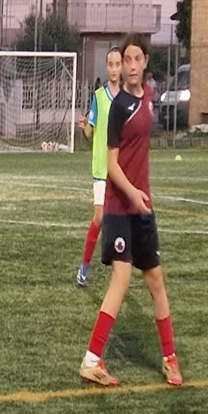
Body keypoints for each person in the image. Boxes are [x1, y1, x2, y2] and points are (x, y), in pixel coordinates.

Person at [79, 34, 182, 389]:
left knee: (155, 281)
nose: (132, 65)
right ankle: (91, 360)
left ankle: (170, 358)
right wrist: (133, 194)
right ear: (122, 66)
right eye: (127, 60)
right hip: (120, 207)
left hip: (142, 206)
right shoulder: (119, 106)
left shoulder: (149, 97)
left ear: (145, 62)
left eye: (137, 59)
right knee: (121, 278)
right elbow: (111, 164)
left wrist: (142, 197)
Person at [77, 46, 123, 285]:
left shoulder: (127, 98)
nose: (114, 69)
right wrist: (84, 126)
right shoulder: (98, 96)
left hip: (121, 169)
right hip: (101, 168)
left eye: (118, 64)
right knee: (99, 217)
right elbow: (90, 134)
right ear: (106, 67)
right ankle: (84, 266)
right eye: (111, 64)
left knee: (120, 220)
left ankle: (120, 269)